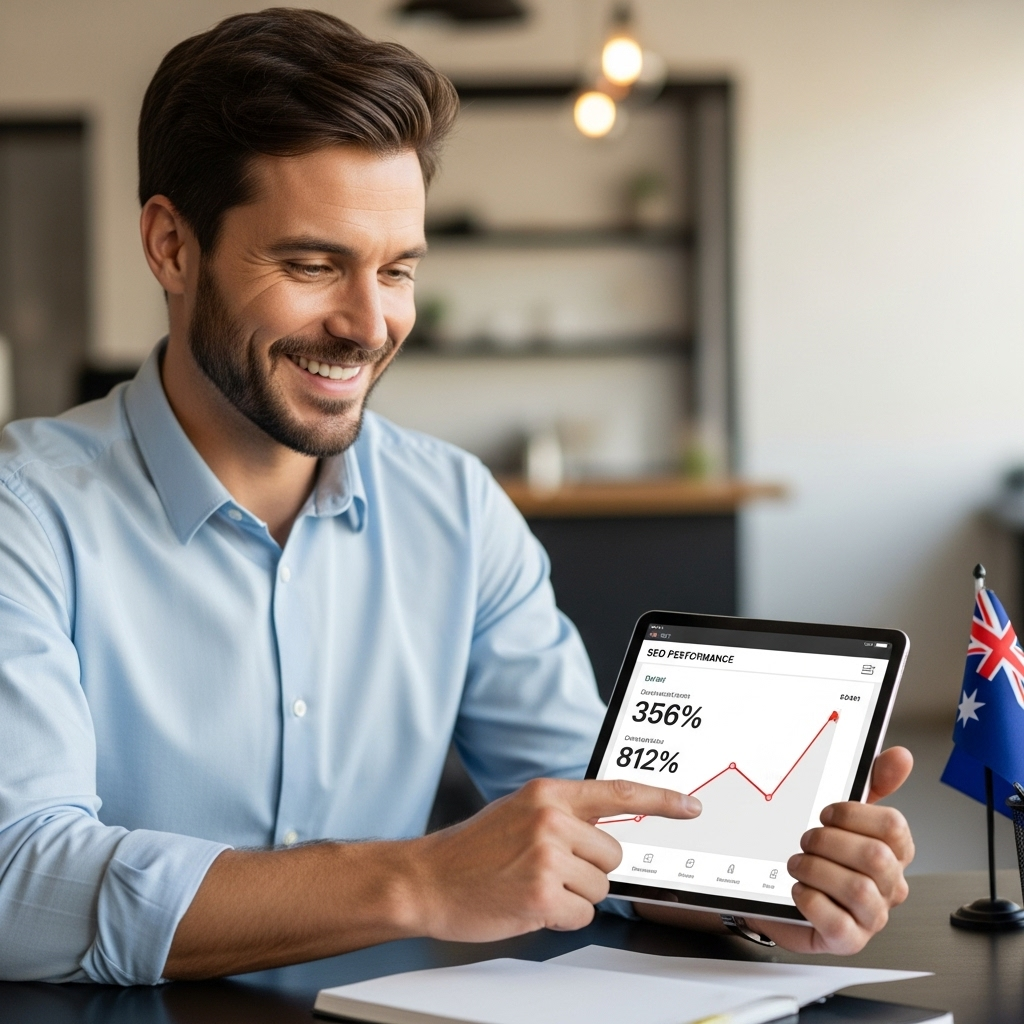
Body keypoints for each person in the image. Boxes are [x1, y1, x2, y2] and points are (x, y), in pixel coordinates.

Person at [0, 9, 914, 986]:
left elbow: (597, 824)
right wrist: (420, 881)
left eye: (397, 270)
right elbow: (19, 882)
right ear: (171, 246)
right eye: (312, 265)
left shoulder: (456, 509)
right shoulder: (27, 513)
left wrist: (765, 889)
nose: (369, 324)